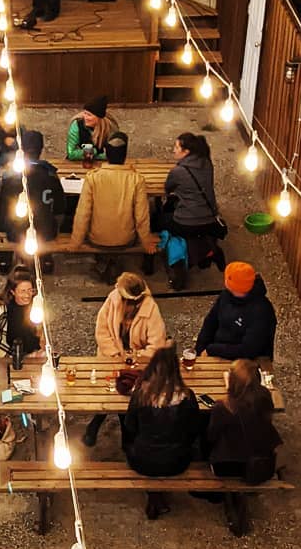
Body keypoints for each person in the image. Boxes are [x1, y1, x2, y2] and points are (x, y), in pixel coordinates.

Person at [82, 272, 168, 449]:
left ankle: (123, 431)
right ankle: (99, 425)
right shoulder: (113, 299)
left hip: (138, 361)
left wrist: (134, 357)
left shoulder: (151, 310)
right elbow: (102, 331)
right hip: (110, 356)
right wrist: (114, 354)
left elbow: (157, 344)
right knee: (107, 393)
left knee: (126, 395)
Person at [122, 346, 204, 519]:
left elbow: (130, 426)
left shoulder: (141, 395)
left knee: (132, 443)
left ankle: (155, 496)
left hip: (142, 461)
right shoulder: (187, 396)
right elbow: (194, 429)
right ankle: (156, 496)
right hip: (177, 462)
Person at [70, 134, 157, 277]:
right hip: (126, 240)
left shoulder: (93, 177)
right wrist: (146, 242)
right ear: (125, 154)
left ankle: (104, 262)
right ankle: (113, 263)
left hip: (97, 240)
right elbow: (141, 216)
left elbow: (83, 213)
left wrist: (75, 242)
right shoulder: (137, 179)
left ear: (106, 153)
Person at [158, 132, 225, 288]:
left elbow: (168, 189)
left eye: (176, 147)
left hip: (186, 223)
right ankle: (207, 250)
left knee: (159, 220)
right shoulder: (207, 163)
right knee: (189, 226)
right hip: (210, 220)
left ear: (186, 152)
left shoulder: (178, 172)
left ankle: (176, 258)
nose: (173, 150)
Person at [206, 358, 282, 479]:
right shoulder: (264, 396)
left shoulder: (223, 406)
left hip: (229, 466)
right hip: (261, 464)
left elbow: (211, 436)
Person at [0, 128, 65, 255]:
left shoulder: (10, 177)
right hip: (46, 233)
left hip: (15, 233)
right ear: (40, 150)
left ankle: (5, 258)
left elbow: (0, 210)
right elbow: (60, 207)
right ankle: (46, 257)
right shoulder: (50, 175)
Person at [195, 261, 277, 360]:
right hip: (220, 351)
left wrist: (211, 350)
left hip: (246, 361)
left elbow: (249, 350)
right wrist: (199, 350)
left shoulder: (261, 311)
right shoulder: (226, 295)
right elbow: (210, 323)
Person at [0, 268, 45, 370]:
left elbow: (40, 328)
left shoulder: (36, 305)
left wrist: (42, 344)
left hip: (32, 356)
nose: (27, 295)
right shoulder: (1, 309)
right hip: (7, 359)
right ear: (13, 291)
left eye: (30, 290)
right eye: (22, 291)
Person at [65, 95, 120, 161]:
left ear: (99, 118)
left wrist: (90, 155)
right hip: (77, 163)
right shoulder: (77, 125)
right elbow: (71, 154)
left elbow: (114, 153)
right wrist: (94, 151)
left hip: (103, 164)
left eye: (89, 115)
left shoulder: (110, 127)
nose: (85, 117)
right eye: (85, 113)